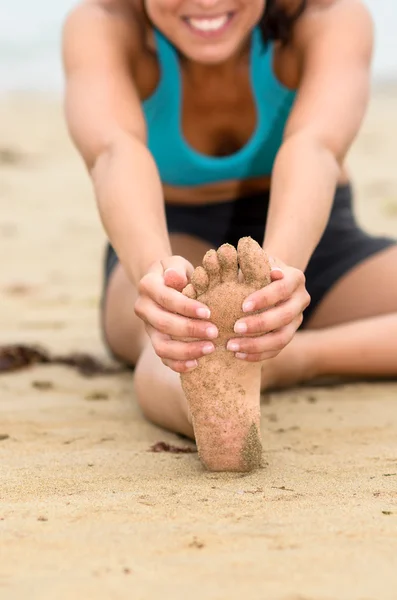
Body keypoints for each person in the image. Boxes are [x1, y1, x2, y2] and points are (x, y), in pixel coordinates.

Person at [62, 0, 397, 472]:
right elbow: (113, 152)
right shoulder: (103, 24)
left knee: (226, 332)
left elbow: (314, 147)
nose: (206, 2)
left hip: (312, 235)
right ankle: (213, 411)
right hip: (172, 234)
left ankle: (295, 359)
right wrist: (153, 269)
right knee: (176, 339)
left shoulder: (329, 16)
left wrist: (277, 279)